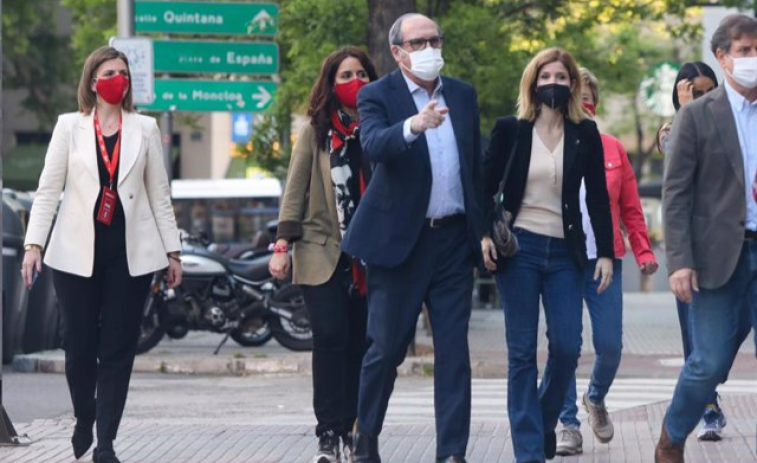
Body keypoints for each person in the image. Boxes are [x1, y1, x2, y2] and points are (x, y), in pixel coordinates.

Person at [20, 46, 182, 463]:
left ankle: (106, 442)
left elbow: (159, 195)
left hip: (129, 256)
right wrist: (33, 245)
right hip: (74, 254)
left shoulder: (144, 129)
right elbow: (47, 189)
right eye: (110, 72)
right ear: (93, 80)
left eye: (124, 73)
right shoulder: (68, 127)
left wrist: (173, 252)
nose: (119, 79)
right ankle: (84, 416)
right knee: (78, 345)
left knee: (118, 348)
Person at [341, 13, 483, 463]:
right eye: (418, 43)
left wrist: (483, 233)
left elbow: (474, 168)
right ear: (398, 52)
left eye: (434, 40)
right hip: (400, 243)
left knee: (454, 354)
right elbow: (375, 146)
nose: (429, 49)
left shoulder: (462, 94)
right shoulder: (375, 95)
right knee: (384, 350)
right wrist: (414, 126)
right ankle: (366, 440)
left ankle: (452, 453)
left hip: (453, 242)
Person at [481, 47, 614, 463]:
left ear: (572, 84)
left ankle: (539, 419)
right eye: (545, 78)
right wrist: (485, 233)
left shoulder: (585, 132)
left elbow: (596, 198)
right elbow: (483, 185)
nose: (552, 84)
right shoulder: (511, 129)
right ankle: (528, 451)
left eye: (560, 77)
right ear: (533, 83)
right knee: (521, 353)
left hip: (565, 253)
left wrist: (605, 252)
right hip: (519, 248)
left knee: (567, 347)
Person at [268, 46, 377, 463]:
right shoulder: (315, 133)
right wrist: (282, 246)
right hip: (320, 250)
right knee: (330, 338)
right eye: (345, 75)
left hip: (369, 256)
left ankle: (352, 427)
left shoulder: (379, 128)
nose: (355, 82)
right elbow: (294, 191)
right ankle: (328, 433)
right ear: (331, 83)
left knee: (360, 344)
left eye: (362, 74)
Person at [656, 14, 757, 463]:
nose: (754, 58)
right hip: (718, 258)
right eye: (745, 51)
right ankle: (672, 436)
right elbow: (675, 194)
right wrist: (679, 260)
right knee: (708, 362)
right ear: (722, 57)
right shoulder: (697, 116)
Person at [555, 67, 659, 456]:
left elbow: (631, 208)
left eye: (587, 99)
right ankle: (568, 424)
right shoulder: (549, 145)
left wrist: (644, 251)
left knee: (610, 345)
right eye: (574, 99)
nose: (582, 107)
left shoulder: (613, 148)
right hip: (562, 258)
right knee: (564, 344)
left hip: (606, 258)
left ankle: (595, 397)